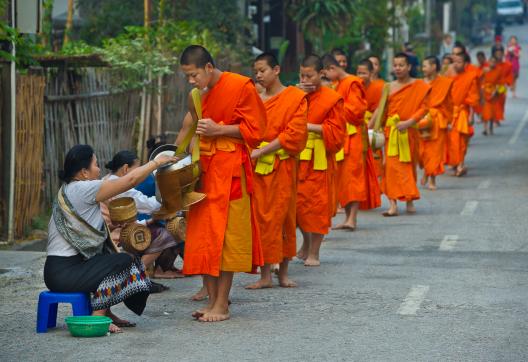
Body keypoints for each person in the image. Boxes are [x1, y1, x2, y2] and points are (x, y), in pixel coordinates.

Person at [44, 144, 177, 333]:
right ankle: (98, 316)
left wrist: (114, 226)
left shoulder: (70, 190)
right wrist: (156, 163)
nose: (99, 169)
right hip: (64, 272)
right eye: (95, 165)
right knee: (123, 260)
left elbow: (88, 227)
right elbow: (129, 180)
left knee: (113, 258)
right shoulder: (82, 188)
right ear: (83, 172)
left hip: (60, 270)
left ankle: (106, 312)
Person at [179, 45, 266, 322]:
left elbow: (256, 131)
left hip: (231, 173)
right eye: (187, 77)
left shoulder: (240, 86)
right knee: (206, 234)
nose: (191, 81)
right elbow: (190, 128)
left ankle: (222, 305)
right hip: (205, 171)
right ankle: (213, 300)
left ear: (208, 67)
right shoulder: (200, 95)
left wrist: (219, 130)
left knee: (226, 236)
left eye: (193, 75)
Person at [245, 52, 308, 289]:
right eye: (256, 71)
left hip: (282, 165)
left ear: (277, 70)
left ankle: (283, 272)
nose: (258, 75)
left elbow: (294, 134)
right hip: (258, 169)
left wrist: (262, 151)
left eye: (262, 70)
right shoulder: (254, 98)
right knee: (262, 218)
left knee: (284, 217)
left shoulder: (295, 97)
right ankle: (265, 275)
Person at [101, 151, 185, 284]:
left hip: (111, 230)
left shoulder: (108, 179)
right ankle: (133, 276)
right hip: (114, 234)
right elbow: (151, 205)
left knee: (158, 225)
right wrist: (172, 192)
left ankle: (144, 271)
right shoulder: (121, 186)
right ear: (125, 169)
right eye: (138, 169)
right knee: (165, 234)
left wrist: (149, 221)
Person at [296, 54, 345, 266]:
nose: (305, 80)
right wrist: (295, 96)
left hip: (319, 159)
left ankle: (314, 252)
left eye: (310, 76)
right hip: (297, 157)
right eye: (302, 75)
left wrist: (308, 127)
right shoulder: (294, 94)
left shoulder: (331, 98)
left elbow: (337, 131)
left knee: (317, 207)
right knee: (296, 207)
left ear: (321, 74)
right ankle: (305, 242)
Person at [369, 53, 430, 216]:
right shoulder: (388, 86)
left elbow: (424, 108)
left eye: (401, 65)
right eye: (395, 65)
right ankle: (393, 204)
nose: (397, 68)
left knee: (408, 166)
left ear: (409, 67)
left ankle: (409, 200)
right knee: (390, 168)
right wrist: (374, 127)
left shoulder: (419, 85)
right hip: (391, 132)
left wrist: (409, 122)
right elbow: (381, 109)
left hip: (409, 131)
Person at [322, 54, 368, 231]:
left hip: (352, 135)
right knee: (342, 178)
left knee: (352, 176)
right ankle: (347, 217)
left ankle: (353, 218)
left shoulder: (352, 82)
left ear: (332, 69)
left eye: (326, 73)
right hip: (341, 135)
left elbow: (357, 111)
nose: (326, 78)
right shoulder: (339, 84)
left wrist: (335, 103)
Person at [419, 56, 454, 191]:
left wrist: (449, 120)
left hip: (438, 120)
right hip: (422, 119)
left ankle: (432, 179)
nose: (423, 69)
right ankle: (426, 171)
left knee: (434, 152)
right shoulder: (420, 84)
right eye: (422, 66)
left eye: (425, 66)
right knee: (421, 152)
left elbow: (449, 104)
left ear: (434, 67)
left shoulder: (444, 83)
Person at [446, 53, 479, 176]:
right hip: (450, 113)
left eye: (459, 62)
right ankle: (457, 164)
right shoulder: (449, 78)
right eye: (455, 62)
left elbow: (473, 97)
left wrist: (471, 115)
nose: (456, 64)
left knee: (462, 141)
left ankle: (460, 164)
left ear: (465, 64)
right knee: (452, 141)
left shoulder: (471, 77)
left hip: (463, 112)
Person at [358, 57, 385, 181]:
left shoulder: (380, 86)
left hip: (373, 126)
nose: (361, 76)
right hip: (358, 125)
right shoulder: (355, 86)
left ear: (371, 72)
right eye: (359, 73)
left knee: (374, 160)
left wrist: (369, 126)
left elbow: (380, 108)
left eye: (364, 73)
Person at [480, 55, 502, 135]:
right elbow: (480, 80)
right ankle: (485, 128)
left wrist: (496, 91)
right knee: (485, 111)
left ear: (496, 63)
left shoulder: (499, 70)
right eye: (491, 61)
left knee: (492, 112)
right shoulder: (485, 70)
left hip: (494, 92)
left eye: (494, 62)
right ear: (488, 62)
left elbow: (500, 82)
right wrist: (481, 91)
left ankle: (491, 127)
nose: (492, 63)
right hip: (485, 92)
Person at [493, 46, 514, 124]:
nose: (499, 54)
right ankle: (494, 118)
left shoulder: (507, 65)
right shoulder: (491, 64)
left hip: (502, 87)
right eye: (497, 53)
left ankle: (497, 118)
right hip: (491, 86)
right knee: (493, 103)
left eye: (500, 53)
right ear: (494, 54)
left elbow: (509, 76)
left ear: (502, 53)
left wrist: (509, 84)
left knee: (501, 102)